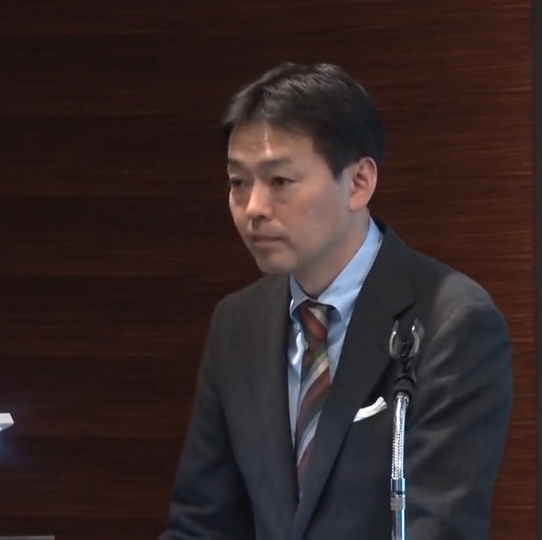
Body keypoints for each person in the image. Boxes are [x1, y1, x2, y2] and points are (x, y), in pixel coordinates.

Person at [160, 62, 513, 539]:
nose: (253, 208)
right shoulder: (237, 323)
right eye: (238, 182)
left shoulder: (451, 322)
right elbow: (203, 522)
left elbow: (440, 526)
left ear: (358, 182)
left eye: (279, 181)